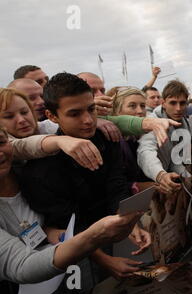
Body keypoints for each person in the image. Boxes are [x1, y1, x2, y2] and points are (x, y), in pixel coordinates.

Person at [18, 73, 151, 281]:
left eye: (91, 109)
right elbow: (63, 226)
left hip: (116, 238)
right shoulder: (39, 170)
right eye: (74, 114)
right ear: (52, 116)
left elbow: (116, 185)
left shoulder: (108, 138)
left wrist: (130, 223)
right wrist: (104, 260)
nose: (88, 120)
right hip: (73, 260)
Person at [0, 125, 143, 287]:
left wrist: (100, 122)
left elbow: (42, 229)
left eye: (1, 142)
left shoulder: (24, 172)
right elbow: (21, 265)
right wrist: (95, 235)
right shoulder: (36, 173)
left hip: (61, 279)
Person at [138, 80, 192, 194]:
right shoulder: (153, 121)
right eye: (173, 103)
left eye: (182, 103)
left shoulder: (185, 123)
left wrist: (187, 177)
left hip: (168, 181)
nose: (178, 108)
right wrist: (160, 175)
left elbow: (174, 158)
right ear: (163, 103)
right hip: (149, 182)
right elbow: (145, 151)